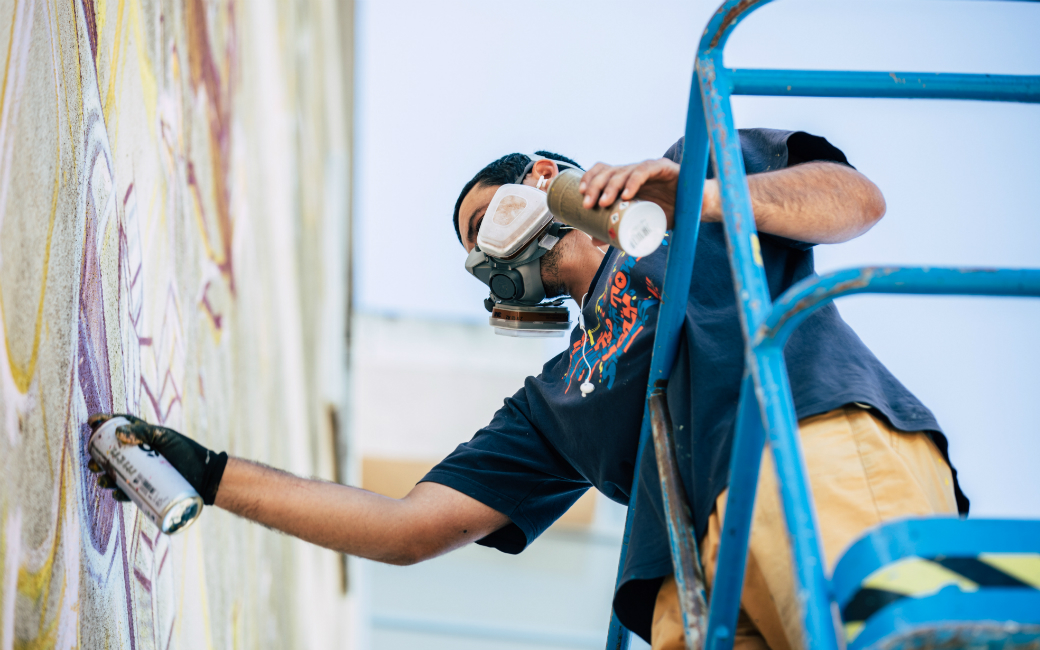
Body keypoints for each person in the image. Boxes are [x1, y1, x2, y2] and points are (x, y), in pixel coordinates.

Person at [89, 129, 968, 650]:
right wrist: (211, 473)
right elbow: (406, 530)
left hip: (801, 445)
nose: (485, 249)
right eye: (472, 250)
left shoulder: (688, 176)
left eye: (486, 219)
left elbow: (854, 199)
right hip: (684, 573)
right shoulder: (555, 398)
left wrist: (702, 196)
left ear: (545, 178)